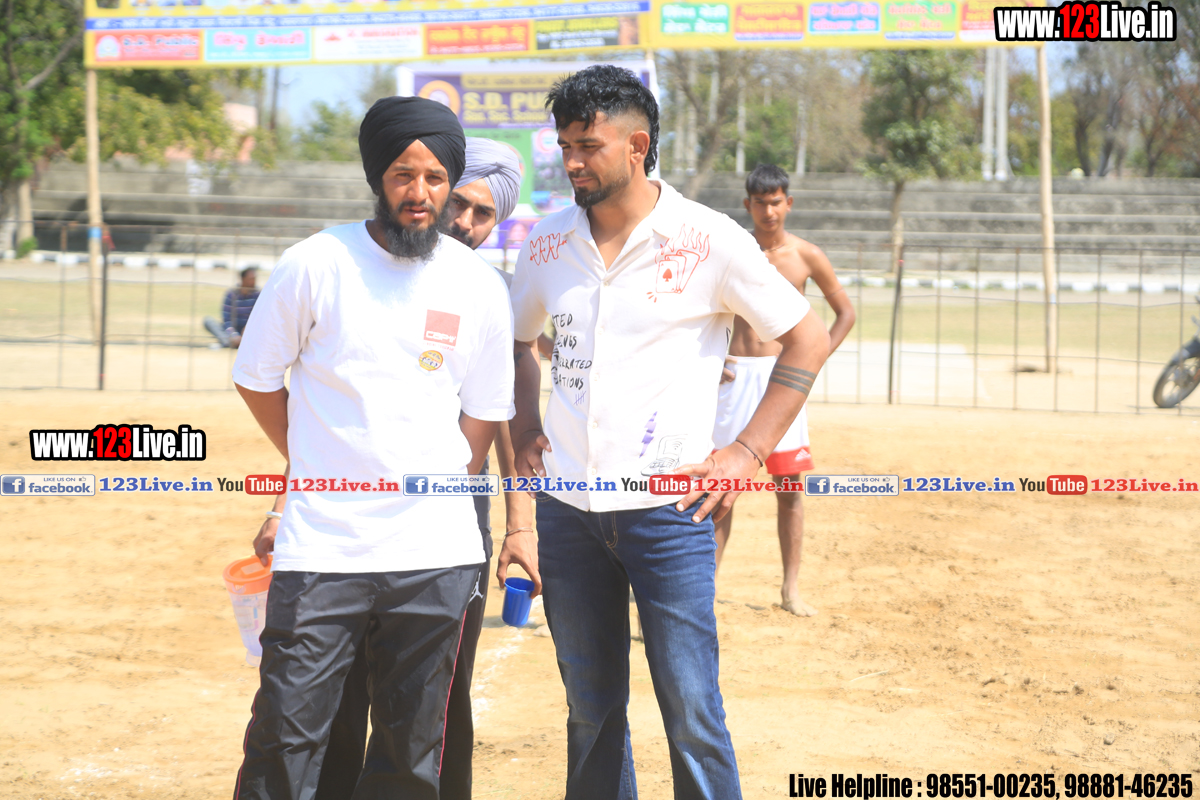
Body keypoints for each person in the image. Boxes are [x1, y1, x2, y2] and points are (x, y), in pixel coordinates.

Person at [499, 65, 830, 800]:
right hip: (568, 512)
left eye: (588, 146)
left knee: (691, 711)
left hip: (671, 511)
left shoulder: (707, 239)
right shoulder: (547, 242)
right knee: (589, 710)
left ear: (638, 145)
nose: (572, 162)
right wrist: (524, 426)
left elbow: (807, 339)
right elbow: (517, 343)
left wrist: (747, 450)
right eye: (565, 146)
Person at [229, 96, 515, 800]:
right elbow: (257, 378)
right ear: (376, 178)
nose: (419, 193)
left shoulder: (477, 283)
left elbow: (484, 412)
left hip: (434, 554)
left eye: (435, 178)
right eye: (402, 175)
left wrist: (436, 479)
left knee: (410, 753)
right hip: (322, 550)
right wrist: (314, 458)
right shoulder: (316, 263)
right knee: (284, 737)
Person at [301, 135, 533, 800]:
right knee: (341, 682)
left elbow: (508, 417)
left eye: (484, 214)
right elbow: (323, 406)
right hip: (349, 513)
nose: (466, 221)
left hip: (449, 521)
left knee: (440, 690)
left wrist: (520, 524)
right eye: (460, 202)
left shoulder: (491, 295)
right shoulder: (361, 271)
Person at [712, 163, 856, 617]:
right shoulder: (733, 252)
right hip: (734, 379)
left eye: (775, 202)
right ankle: (703, 589)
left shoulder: (807, 256)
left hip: (783, 380)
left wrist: (810, 362)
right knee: (718, 486)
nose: (768, 211)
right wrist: (711, 360)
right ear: (747, 205)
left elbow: (846, 313)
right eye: (760, 202)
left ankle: (790, 589)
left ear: (788, 203)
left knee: (790, 489)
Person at [203, 266, 259, 348]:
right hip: (232, 330)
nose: (254, 281)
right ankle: (232, 342)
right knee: (208, 321)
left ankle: (232, 343)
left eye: (254, 279)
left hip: (250, 330)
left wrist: (248, 330)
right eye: (251, 279)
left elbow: (260, 317)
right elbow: (227, 319)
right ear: (243, 279)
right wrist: (234, 335)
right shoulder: (232, 294)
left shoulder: (258, 295)